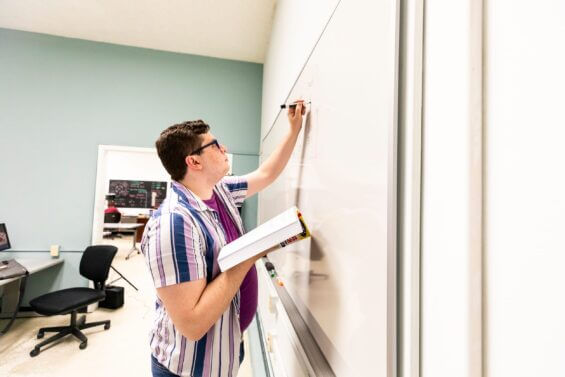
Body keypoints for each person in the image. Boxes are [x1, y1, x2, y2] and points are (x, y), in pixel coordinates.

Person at [141, 100, 306, 377]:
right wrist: (252, 252)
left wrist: (294, 130)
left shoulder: (220, 191)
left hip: (225, 347)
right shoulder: (173, 224)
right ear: (193, 161)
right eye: (215, 145)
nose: (224, 148)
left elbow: (267, 173)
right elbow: (192, 325)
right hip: (189, 367)